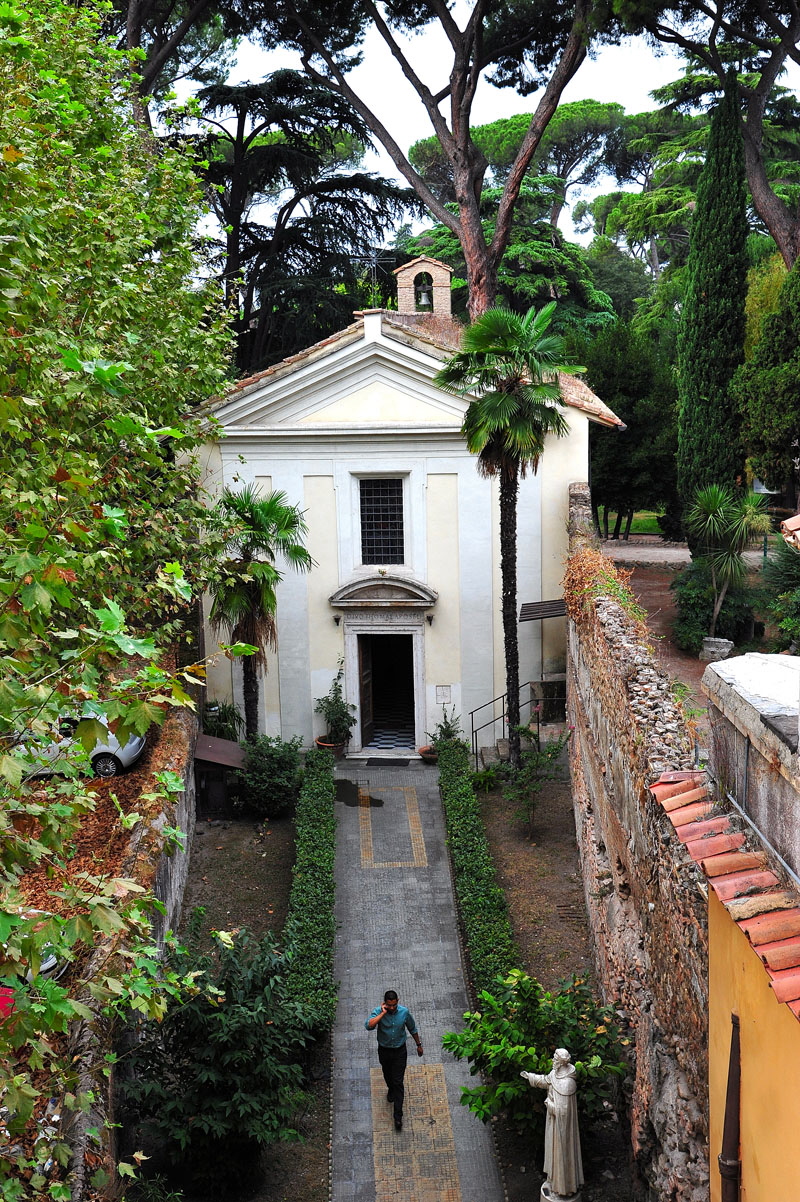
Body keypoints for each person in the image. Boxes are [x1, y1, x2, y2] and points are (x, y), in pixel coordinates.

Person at [520, 1048, 584, 1198]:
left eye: (555, 1058)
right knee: (553, 1150)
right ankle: (554, 1181)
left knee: (561, 1153)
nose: (552, 1060)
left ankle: (564, 1187)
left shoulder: (568, 1083)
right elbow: (546, 1081)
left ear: (561, 1062)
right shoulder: (556, 1073)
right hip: (554, 1125)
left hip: (562, 1129)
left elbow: (564, 1112)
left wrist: (549, 1105)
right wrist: (530, 1077)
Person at [365, 989, 423, 1130]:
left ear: (398, 1001)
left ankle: (398, 1117)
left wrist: (418, 1045)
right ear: (385, 1003)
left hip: (399, 1051)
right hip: (384, 1050)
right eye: (389, 1005)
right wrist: (383, 1013)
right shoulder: (378, 1012)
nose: (392, 1008)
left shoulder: (404, 1012)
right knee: (387, 1075)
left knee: (398, 1082)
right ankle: (390, 1089)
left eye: (394, 1005)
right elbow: (369, 1026)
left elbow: (412, 1028)